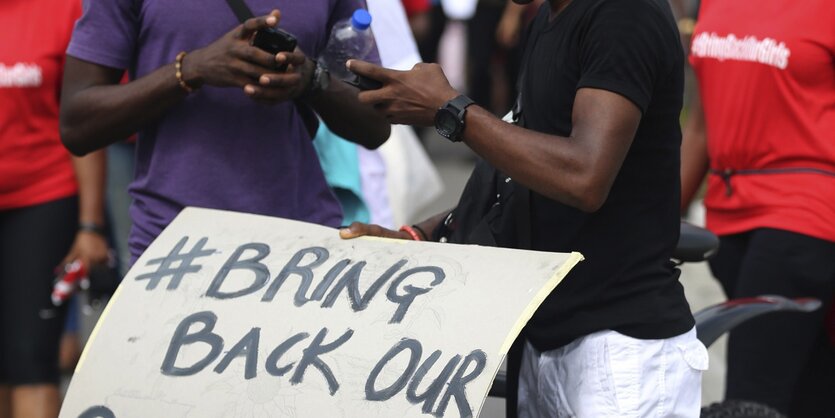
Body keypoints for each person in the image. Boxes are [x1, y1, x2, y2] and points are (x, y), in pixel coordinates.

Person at [341, 0, 706, 415]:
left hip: (619, 349)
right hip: (546, 337)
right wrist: (421, 235)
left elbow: (584, 176)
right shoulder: (547, 20)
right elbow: (516, 169)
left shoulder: (624, 13)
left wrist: (452, 110)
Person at [59, 1, 391, 264]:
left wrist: (311, 80)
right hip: (175, 244)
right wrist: (190, 70)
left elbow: (375, 126)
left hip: (301, 243)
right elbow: (77, 124)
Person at [681, 0, 835, 415]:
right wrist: (653, 224)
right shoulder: (715, 3)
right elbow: (701, 126)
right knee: (811, 388)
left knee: (751, 397)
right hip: (728, 218)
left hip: (805, 215)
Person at [0, 0, 109, 416]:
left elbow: (83, 121)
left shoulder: (64, 10)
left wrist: (91, 225)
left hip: (41, 197)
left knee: (30, 358)